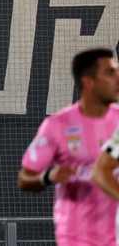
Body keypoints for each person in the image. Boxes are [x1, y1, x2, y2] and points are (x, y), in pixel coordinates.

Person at [21, 49, 119, 246]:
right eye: (110, 72)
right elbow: (25, 179)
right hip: (76, 236)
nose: (118, 78)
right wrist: (48, 177)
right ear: (88, 81)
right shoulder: (58, 125)